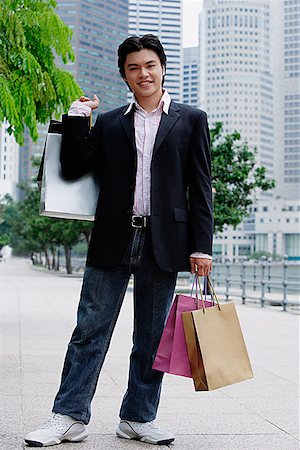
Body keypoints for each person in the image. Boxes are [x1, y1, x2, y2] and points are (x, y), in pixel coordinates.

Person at [24, 34, 213, 447]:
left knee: (149, 337)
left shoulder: (192, 119)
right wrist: (77, 116)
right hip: (113, 236)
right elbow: (73, 168)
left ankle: (138, 418)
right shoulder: (110, 122)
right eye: (133, 68)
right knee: (89, 330)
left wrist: (202, 247)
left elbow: (201, 188)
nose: (142, 74)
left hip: (164, 242)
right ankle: (69, 416)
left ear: (162, 67)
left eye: (149, 65)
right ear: (124, 75)